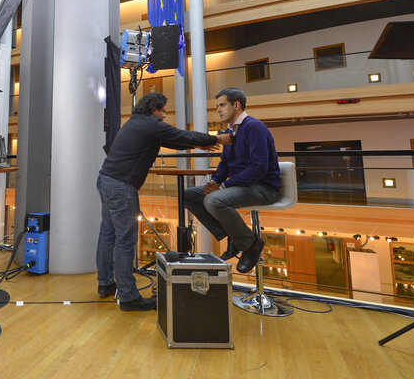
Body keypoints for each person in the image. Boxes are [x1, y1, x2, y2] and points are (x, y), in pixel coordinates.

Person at [96, 92, 232, 311]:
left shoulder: (136, 122)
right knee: (124, 241)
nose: (165, 115)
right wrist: (216, 139)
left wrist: (203, 145)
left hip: (105, 180)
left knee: (108, 234)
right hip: (121, 186)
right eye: (163, 110)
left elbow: (174, 141)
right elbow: (181, 135)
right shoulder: (151, 124)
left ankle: (105, 284)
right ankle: (129, 298)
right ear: (154, 109)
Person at [183, 87, 280, 274]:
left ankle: (250, 245)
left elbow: (258, 169)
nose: (218, 110)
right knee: (188, 195)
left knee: (214, 200)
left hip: (263, 188)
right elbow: (225, 164)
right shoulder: (229, 131)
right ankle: (233, 236)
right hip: (242, 186)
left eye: (222, 105)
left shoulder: (254, 127)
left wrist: (224, 186)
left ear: (236, 105)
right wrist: (215, 182)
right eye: (217, 106)